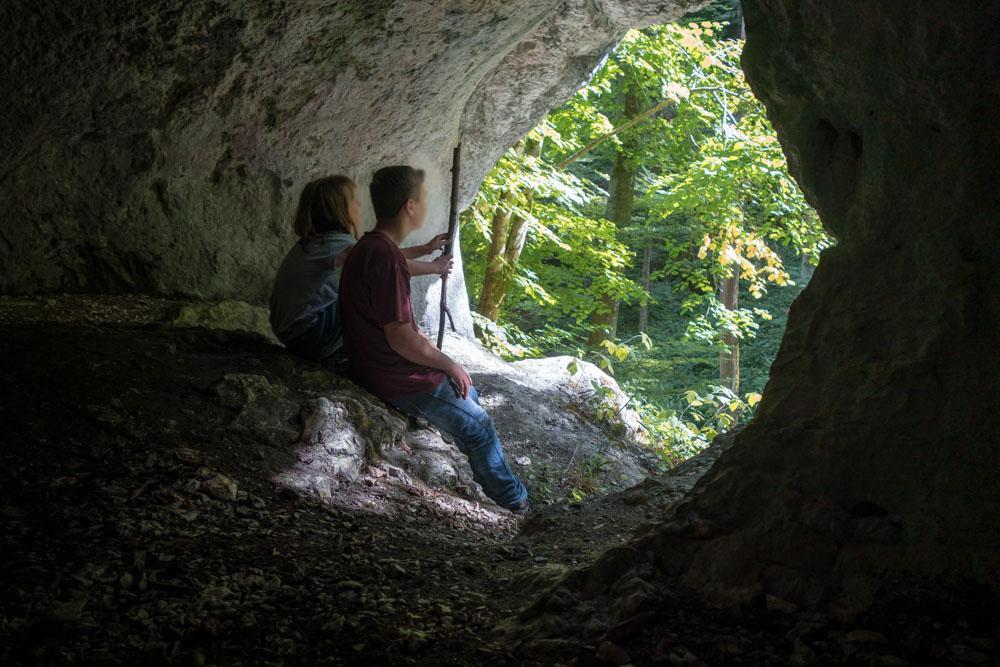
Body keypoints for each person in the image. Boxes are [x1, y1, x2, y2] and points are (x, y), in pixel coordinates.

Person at [338, 165, 531, 514]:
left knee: (469, 394)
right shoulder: (384, 256)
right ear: (410, 206)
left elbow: (396, 269)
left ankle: (485, 475)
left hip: (375, 365)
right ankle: (517, 503)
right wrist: (449, 363)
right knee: (480, 426)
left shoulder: (372, 247)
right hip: (393, 376)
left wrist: (428, 253)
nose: (427, 204)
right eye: (424, 198)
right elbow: (401, 339)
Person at [269, 175, 451, 365]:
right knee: (371, 290)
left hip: (294, 333)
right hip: (310, 335)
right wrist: (435, 267)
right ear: (339, 210)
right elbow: (387, 264)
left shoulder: (318, 243)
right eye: (353, 199)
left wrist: (425, 249)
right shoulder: (335, 244)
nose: (360, 204)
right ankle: (398, 350)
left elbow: (382, 257)